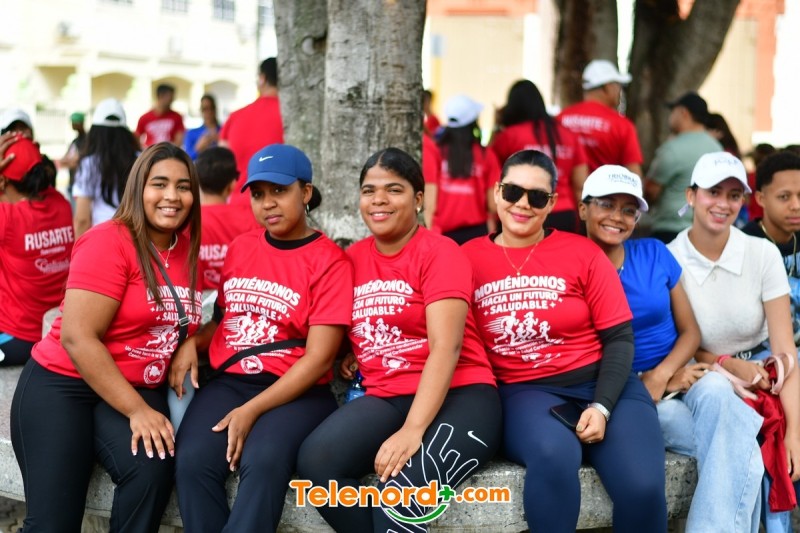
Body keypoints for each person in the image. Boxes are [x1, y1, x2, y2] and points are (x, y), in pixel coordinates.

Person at [297, 147, 502, 532]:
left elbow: (446, 347)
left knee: (398, 499)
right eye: (369, 190)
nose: (379, 200)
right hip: (387, 395)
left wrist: (412, 430)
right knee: (316, 464)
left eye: (394, 189)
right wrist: (351, 351)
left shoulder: (441, 252)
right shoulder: (352, 259)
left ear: (418, 199)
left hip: (461, 397)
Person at [461, 149, 667, 532]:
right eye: (513, 192)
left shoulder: (583, 253)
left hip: (606, 384)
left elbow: (620, 338)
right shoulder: (465, 258)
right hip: (525, 390)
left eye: (537, 196)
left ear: (552, 202)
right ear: (497, 192)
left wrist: (602, 406)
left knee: (643, 488)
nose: (523, 204)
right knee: (554, 455)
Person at [10, 142, 203, 532]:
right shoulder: (108, 241)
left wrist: (189, 342)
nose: (172, 196)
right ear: (138, 188)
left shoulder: (186, 249)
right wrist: (137, 411)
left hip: (132, 385)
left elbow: (180, 312)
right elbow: (78, 337)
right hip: (64, 384)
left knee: (152, 470)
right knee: (53, 523)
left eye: (183, 187)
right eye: (159, 184)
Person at [173, 144, 353, 532]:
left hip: (297, 391)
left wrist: (252, 410)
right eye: (258, 194)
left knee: (264, 462)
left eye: (279, 191)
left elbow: (319, 359)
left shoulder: (330, 262)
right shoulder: (241, 247)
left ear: (305, 192)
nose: (268, 203)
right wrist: (194, 342)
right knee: (191, 463)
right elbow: (223, 321)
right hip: (229, 383)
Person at [581, 164, 766, 532]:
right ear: (583, 208)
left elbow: (690, 332)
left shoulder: (652, 252)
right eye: (606, 204)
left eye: (628, 209)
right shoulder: (571, 262)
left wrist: (665, 375)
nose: (617, 216)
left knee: (718, 392)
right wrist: (648, 382)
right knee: (741, 447)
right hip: (629, 393)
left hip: (680, 374)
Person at [667, 151, 800, 531]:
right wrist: (726, 364)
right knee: (721, 406)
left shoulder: (761, 253)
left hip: (765, 377)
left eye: (734, 195)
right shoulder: (670, 258)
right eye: (713, 192)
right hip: (700, 377)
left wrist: (794, 433)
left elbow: (785, 351)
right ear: (691, 195)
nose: (723, 204)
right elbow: (683, 341)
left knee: (744, 437)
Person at [0, 136, 74, 366]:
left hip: (16, 339)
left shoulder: (7, 218)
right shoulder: (61, 203)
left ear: (4, 180)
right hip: (53, 331)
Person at [490, 79, 588, 232]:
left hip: (523, 212)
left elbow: (490, 171)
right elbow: (580, 184)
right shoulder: (568, 135)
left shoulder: (510, 136)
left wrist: (497, 125)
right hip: (564, 213)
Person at [644, 91, 722, 243]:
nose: (670, 117)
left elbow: (650, 191)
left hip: (669, 230)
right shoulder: (717, 148)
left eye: (672, 111)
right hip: (705, 230)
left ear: (683, 113)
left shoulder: (672, 149)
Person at [743, 150, 800, 343]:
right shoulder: (743, 245)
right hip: (761, 352)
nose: (796, 205)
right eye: (784, 197)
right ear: (761, 199)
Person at [426, 94, 498, 244]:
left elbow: (429, 201)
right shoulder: (486, 155)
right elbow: (493, 203)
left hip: (442, 234)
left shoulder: (436, 152)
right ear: (474, 122)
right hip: (477, 233)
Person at [558, 59, 644, 175]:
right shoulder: (622, 126)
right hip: (606, 187)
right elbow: (634, 174)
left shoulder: (560, 118)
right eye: (618, 86)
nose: (620, 92)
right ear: (608, 87)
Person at [221, 57, 284, 207]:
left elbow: (221, 166)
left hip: (238, 205)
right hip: (279, 208)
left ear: (262, 78)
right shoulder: (292, 118)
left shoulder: (235, 117)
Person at [195, 146, 261, 291]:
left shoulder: (184, 221)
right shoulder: (253, 219)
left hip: (196, 299)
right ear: (232, 184)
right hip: (240, 297)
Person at [73, 98, 140, 238]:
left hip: (103, 238)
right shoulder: (141, 159)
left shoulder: (89, 164)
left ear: (95, 132)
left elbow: (82, 219)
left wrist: (80, 248)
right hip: (137, 237)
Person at [135, 83, 185, 148]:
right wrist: (145, 150)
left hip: (169, 151)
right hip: (151, 151)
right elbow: (136, 138)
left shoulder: (177, 117)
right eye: (170, 97)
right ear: (161, 96)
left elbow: (179, 139)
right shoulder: (145, 118)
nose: (172, 100)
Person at [58, 111, 87, 196]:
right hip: (72, 182)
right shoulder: (75, 141)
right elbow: (64, 160)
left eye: (74, 122)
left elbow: (78, 160)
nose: (72, 125)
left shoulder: (87, 140)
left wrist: (71, 161)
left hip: (82, 185)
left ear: (80, 123)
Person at [184, 94, 221, 160]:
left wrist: (220, 140)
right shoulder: (192, 133)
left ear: (215, 109)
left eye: (211, 108)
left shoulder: (224, 131)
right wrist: (198, 148)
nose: (209, 112)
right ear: (201, 110)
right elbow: (187, 158)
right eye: (205, 109)